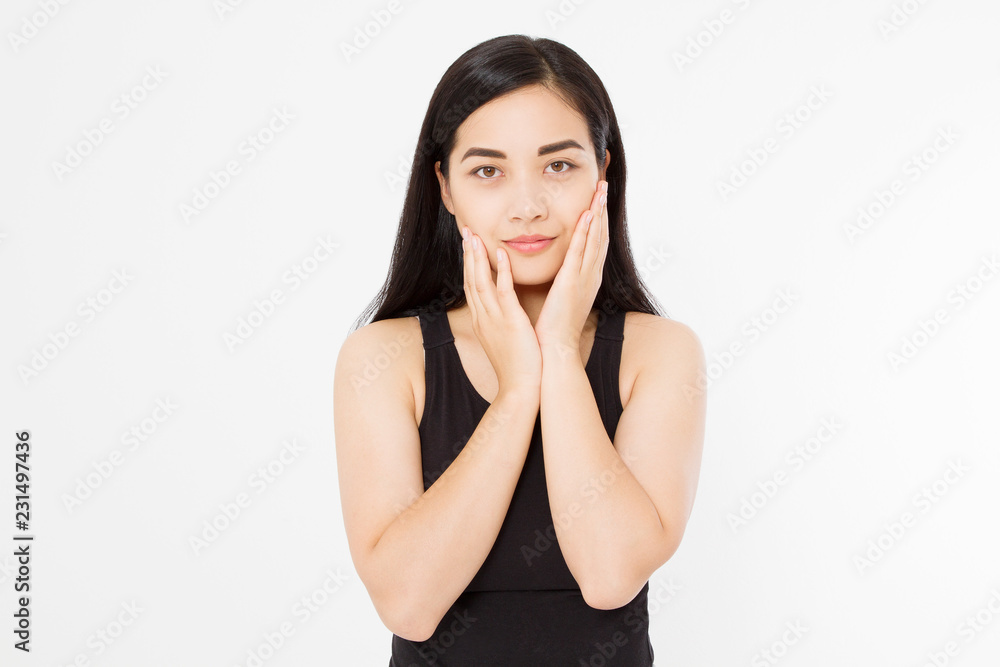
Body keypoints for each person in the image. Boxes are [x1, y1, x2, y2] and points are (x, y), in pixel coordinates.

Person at [334, 34, 706, 666]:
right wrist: (515, 393)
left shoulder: (661, 354)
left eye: (559, 165)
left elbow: (609, 575)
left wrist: (558, 352)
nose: (528, 206)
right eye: (487, 171)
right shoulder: (385, 359)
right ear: (446, 190)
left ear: (603, 174)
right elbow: (408, 604)